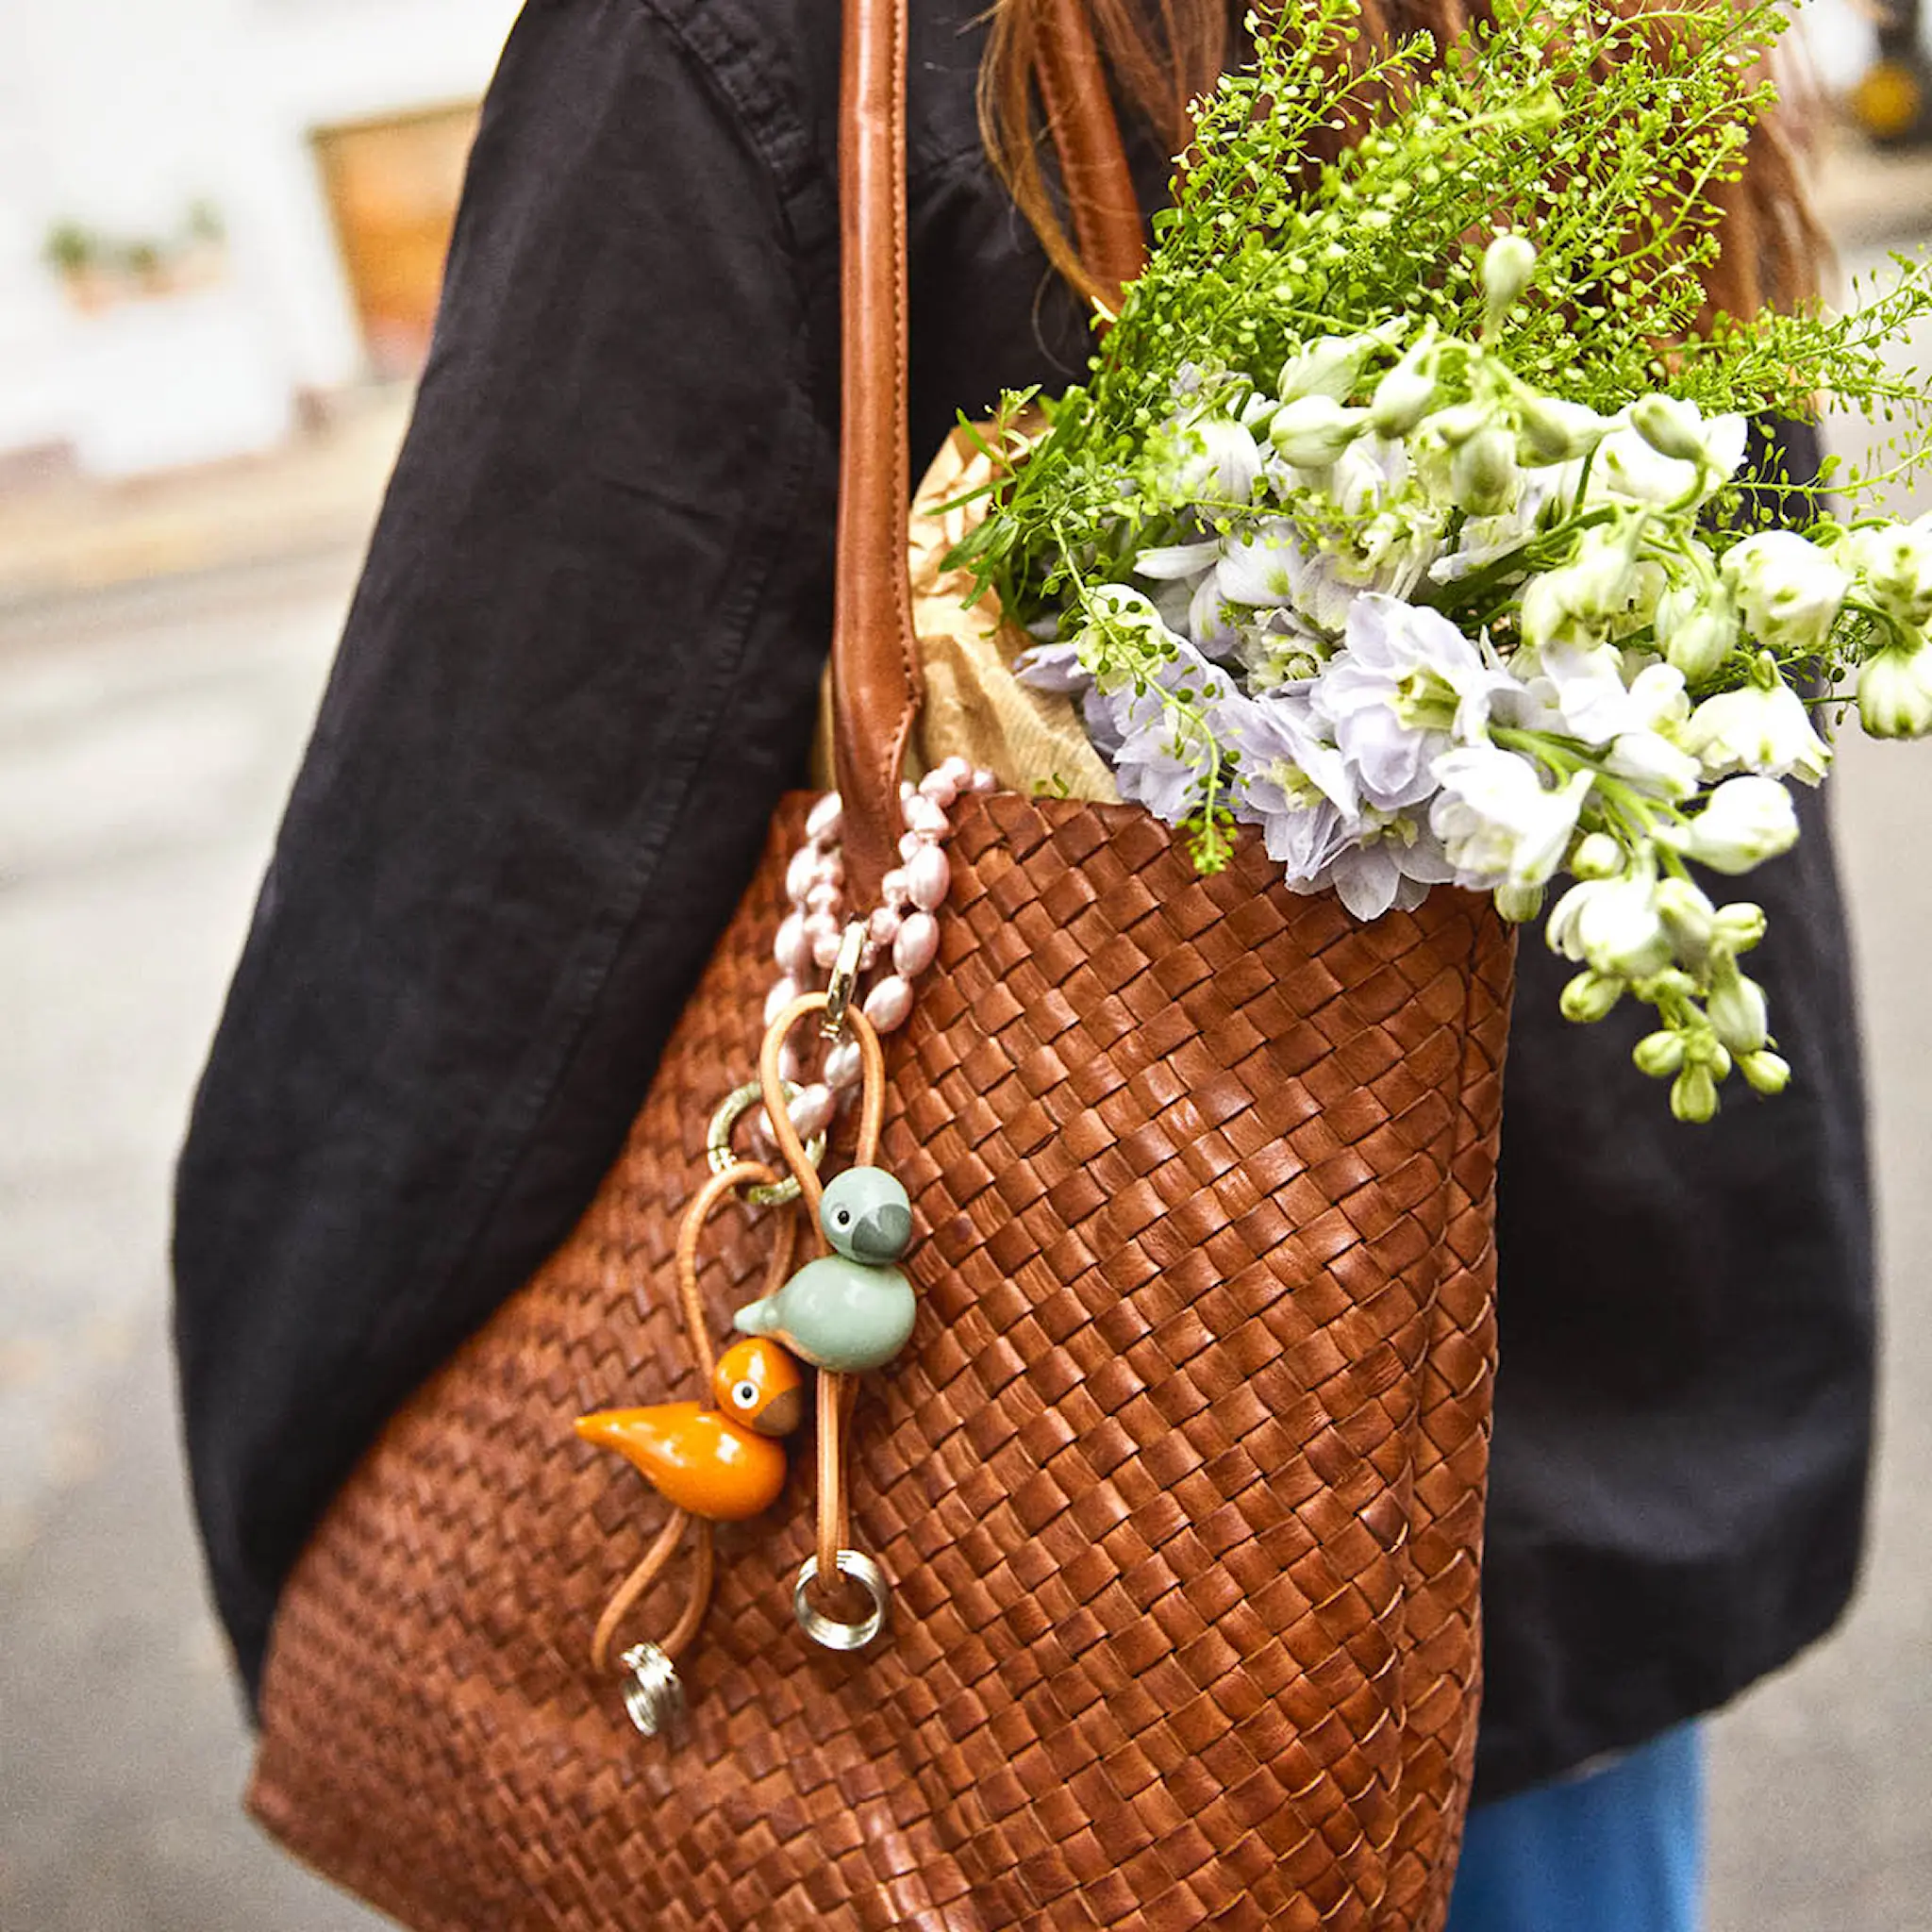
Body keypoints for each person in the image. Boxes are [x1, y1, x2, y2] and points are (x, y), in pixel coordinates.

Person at [173, 2, 1874, 1925]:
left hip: (1042, 1682)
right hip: (1539, 1547)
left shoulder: (768, 37)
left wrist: (303, 1501)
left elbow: (490, 879)